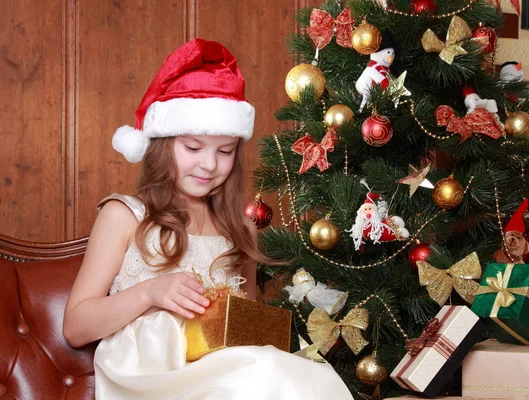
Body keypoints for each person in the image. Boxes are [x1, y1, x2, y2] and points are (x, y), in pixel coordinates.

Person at [63, 38, 353, 400]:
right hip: (152, 373)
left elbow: (247, 331)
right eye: (193, 148)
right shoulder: (125, 215)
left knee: (301, 374)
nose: (209, 164)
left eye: (225, 151)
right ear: (161, 144)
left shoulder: (240, 229)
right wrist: (151, 292)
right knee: (262, 374)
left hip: (224, 368)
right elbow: (76, 327)